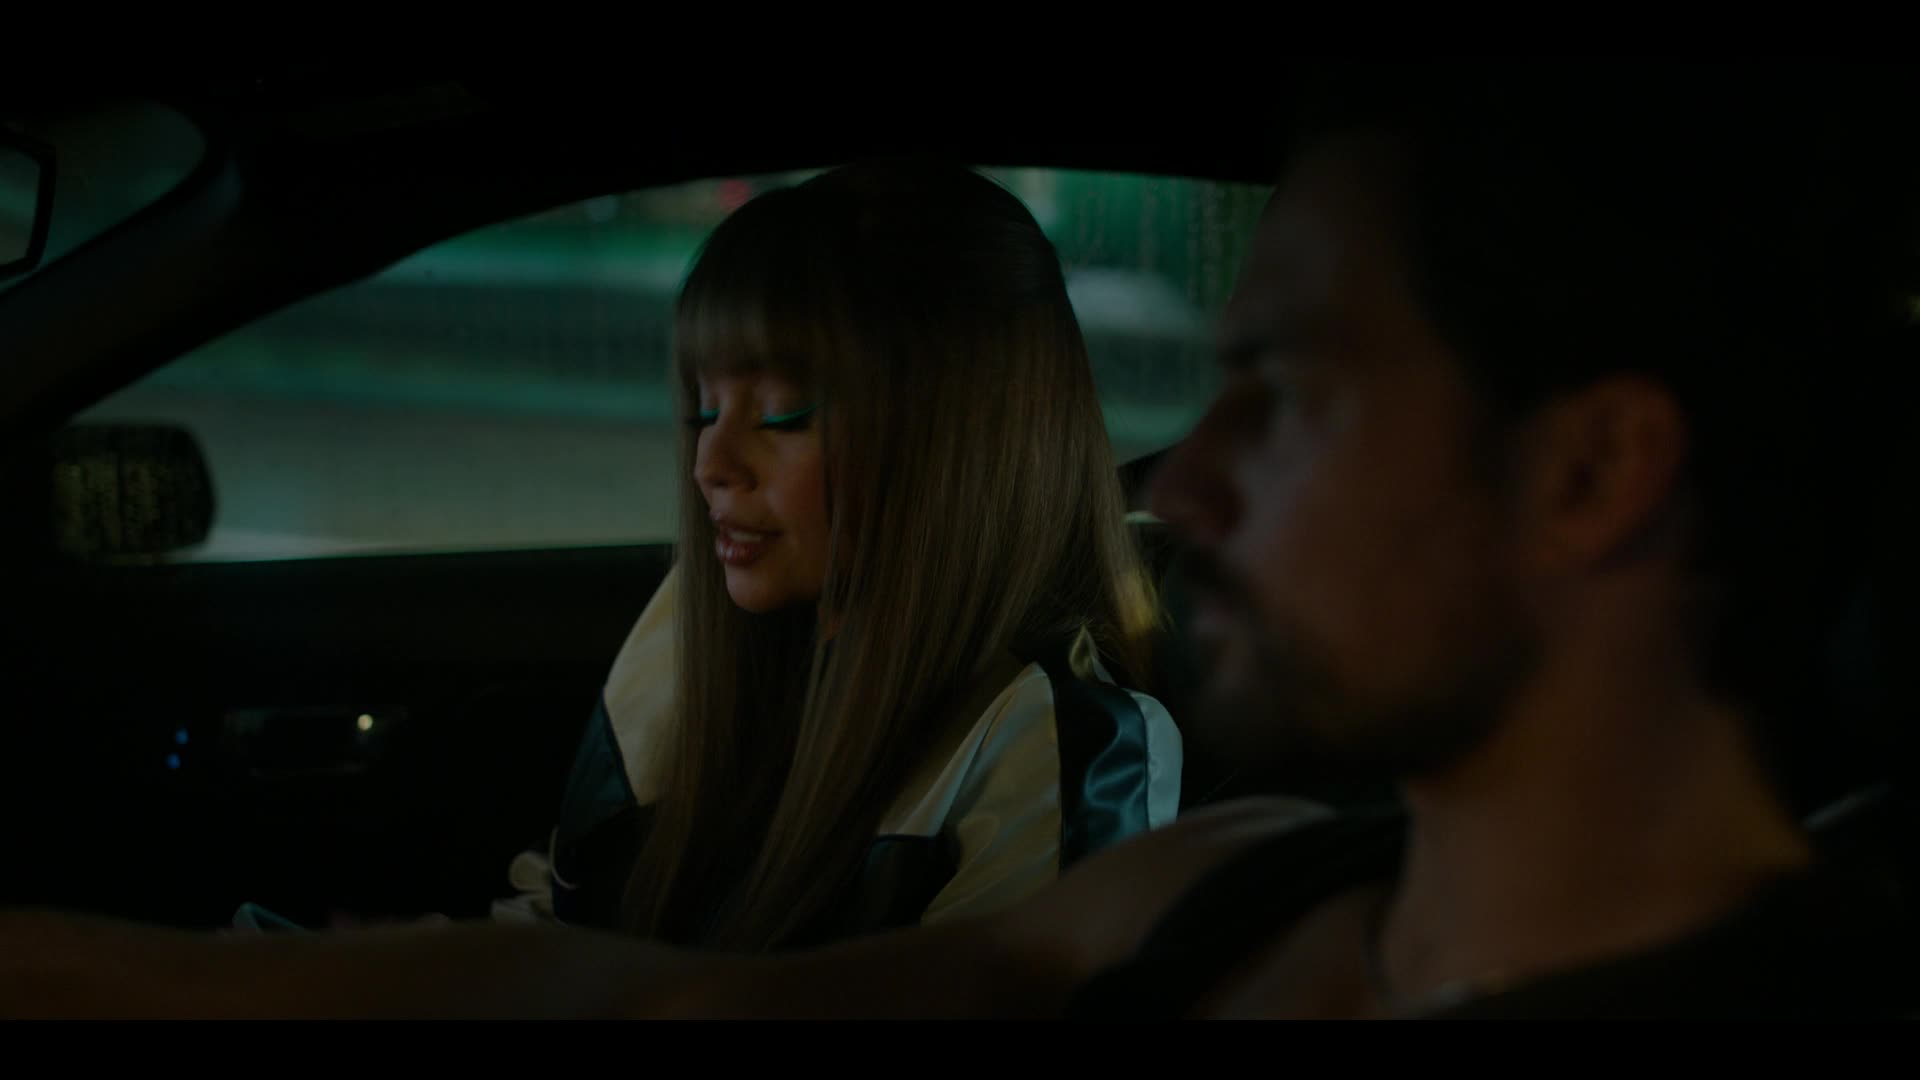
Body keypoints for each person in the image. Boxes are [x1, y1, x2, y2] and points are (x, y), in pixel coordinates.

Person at [5, 62, 1916, 1019]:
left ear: (1589, 473)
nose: (1177, 485)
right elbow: (659, 1004)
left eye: (1289, 391)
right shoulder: (1241, 885)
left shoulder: (1110, 793)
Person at [490, 160, 1182, 949]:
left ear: (950, 443)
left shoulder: (1055, 746)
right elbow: (555, 910)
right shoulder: (690, 622)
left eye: (781, 416)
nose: (711, 463)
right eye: (705, 408)